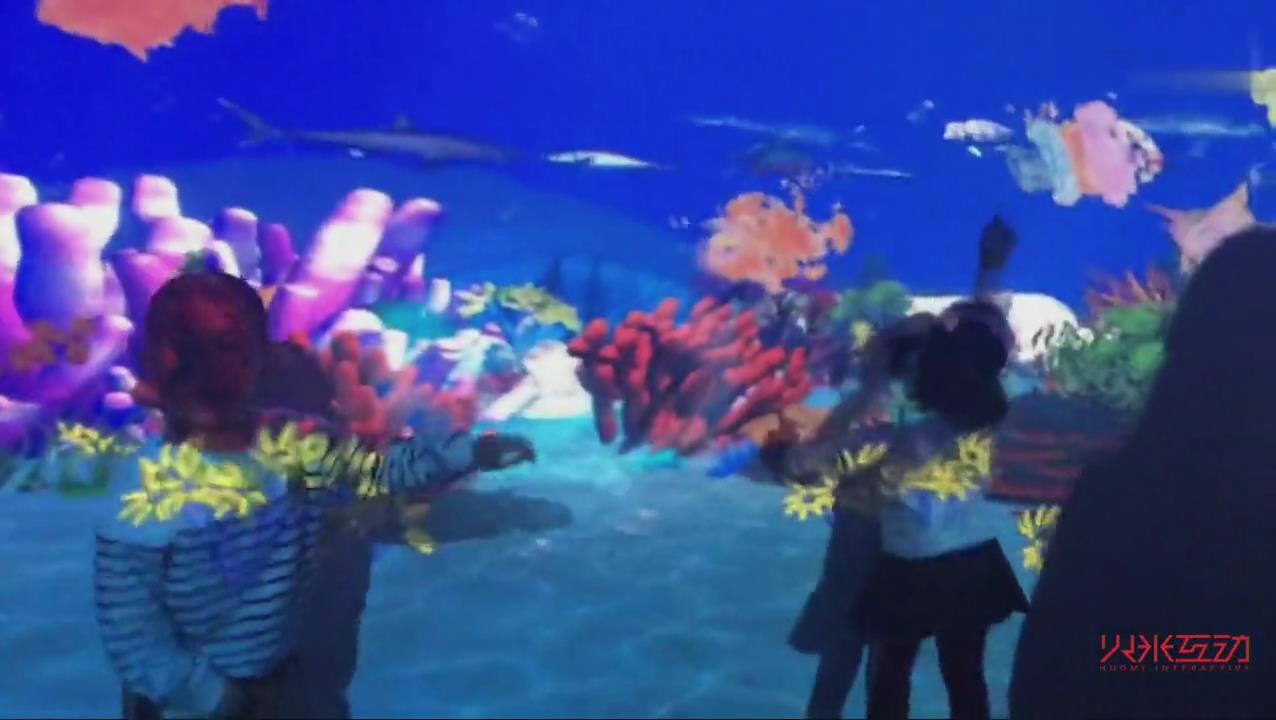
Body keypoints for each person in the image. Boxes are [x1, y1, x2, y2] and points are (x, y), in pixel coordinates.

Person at [93, 270, 537, 720]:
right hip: (185, 703)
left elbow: (378, 471)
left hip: (273, 679)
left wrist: (470, 453)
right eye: (186, 353)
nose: (207, 372)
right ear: (154, 365)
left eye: (226, 349)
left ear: (257, 359)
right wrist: (213, 697)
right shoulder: (144, 489)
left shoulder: (295, 442)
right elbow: (132, 629)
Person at [1009, 225, 1276, 720]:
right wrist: (1238, 654)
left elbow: (1061, 667)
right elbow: (1091, 655)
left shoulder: (1117, 492)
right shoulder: (1130, 500)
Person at [784, 215, 1026, 720]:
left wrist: (862, 400)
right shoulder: (973, 414)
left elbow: (812, 461)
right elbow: (978, 344)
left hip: (897, 554)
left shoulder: (904, 427)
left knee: (875, 662)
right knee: (944, 670)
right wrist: (989, 270)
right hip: (939, 559)